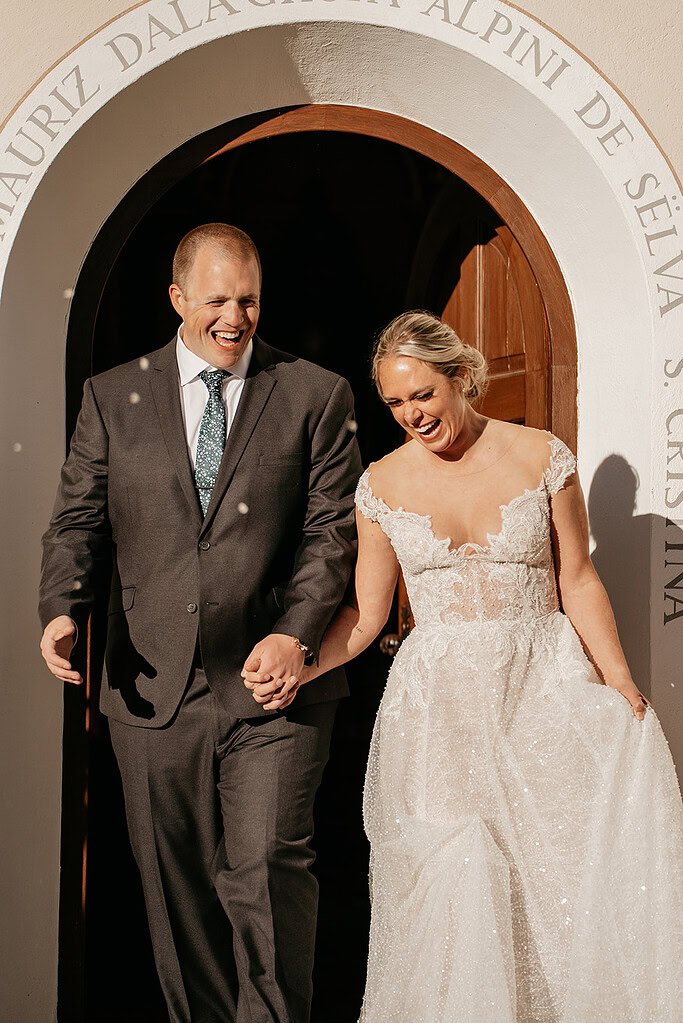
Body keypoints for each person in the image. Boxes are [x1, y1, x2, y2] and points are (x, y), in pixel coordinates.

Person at [245, 311, 683, 1022]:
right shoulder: (380, 485)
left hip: (542, 690)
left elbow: (576, 577)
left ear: (460, 376)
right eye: (395, 402)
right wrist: (299, 660)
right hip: (438, 713)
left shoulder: (541, 456)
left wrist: (619, 678)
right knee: (457, 876)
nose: (411, 415)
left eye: (423, 394)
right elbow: (365, 616)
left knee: (553, 873)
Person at [39, 223, 362, 1023]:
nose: (234, 317)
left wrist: (296, 633)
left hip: (276, 686)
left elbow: (332, 530)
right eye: (217, 299)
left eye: (248, 299)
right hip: (152, 687)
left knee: (266, 866)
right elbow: (77, 521)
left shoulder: (315, 393)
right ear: (177, 297)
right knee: (176, 885)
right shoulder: (111, 396)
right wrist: (62, 609)